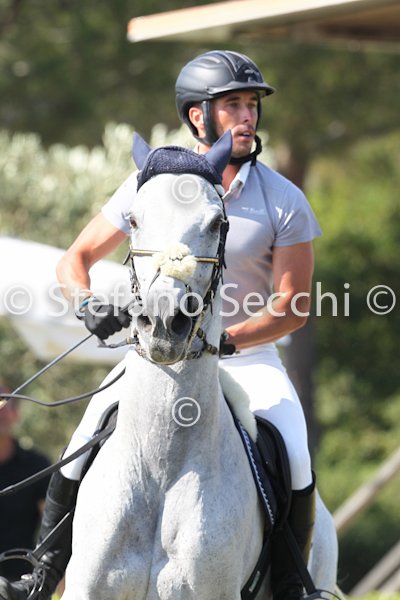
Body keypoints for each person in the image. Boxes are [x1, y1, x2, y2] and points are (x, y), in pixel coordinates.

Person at [0, 50, 321, 600]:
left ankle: (294, 586)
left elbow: (293, 305)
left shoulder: (282, 199)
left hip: (247, 358)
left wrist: (225, 339)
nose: (248, 116)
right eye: (234, 105)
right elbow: (74, 260)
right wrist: (86, 304)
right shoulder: (149, 185)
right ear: (199, 115)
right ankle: (44, 570)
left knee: (293, 449)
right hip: (154, 354)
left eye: (252, 105)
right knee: (85, 434)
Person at [0, 385, 51, 582]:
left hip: (20, 586)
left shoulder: (37, 466)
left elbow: (54, 531)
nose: (0, 412)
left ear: (16, 414)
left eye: (5, 405)